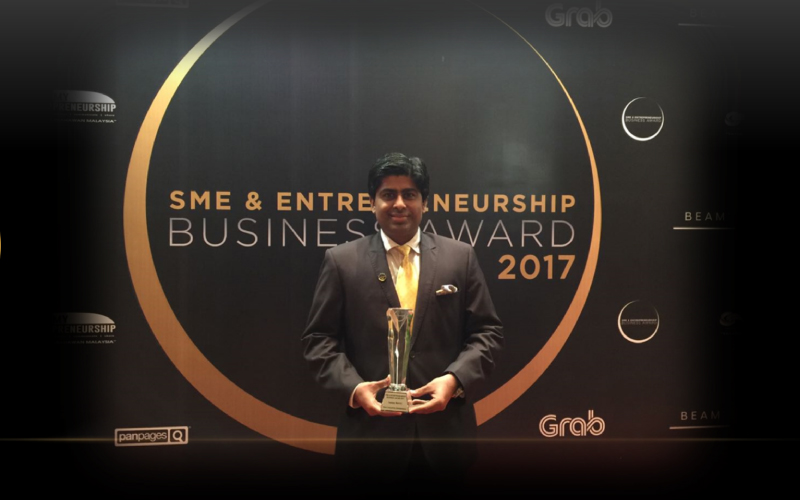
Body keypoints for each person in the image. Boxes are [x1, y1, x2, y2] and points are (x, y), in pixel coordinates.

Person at [301, 152, 503, 481]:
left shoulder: (460, 257)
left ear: (425, 203)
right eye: (388, 194)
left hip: (446, 440)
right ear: (372, 202)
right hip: (370, 440)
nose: (399, 204)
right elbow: (319, 341)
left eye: (409, 194)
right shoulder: (342, 262)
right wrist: (355, 389)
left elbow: (487, 333)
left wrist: (454, 380)